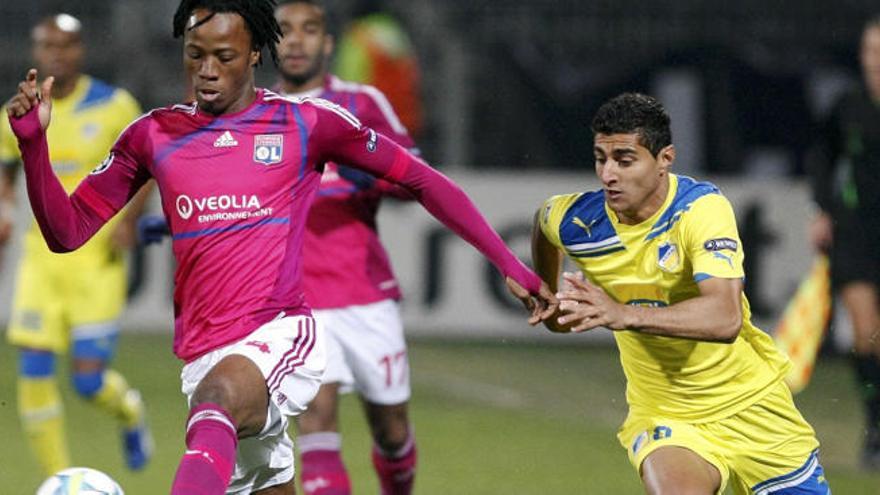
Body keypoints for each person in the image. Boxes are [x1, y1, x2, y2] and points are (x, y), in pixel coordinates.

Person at [5, 1, 553, 493]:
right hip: (201, 349)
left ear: (256, 54)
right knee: (249, 453)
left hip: (277, 332)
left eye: (224, 55)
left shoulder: (306, 124)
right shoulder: (154, 135)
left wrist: (511, 264)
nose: (207, 70)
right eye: (195, 55)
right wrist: (33, 147)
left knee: (217, 406)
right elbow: (66, 232)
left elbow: (422, 180)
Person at [529, 93, 829, 494]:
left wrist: (623, 314)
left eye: (625, 159)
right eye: (601, 158)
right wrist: (545, 296)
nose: (608, 174)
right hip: (666, 416)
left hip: (752, 406)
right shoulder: (578, 220)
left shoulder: (699, 210)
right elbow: (544, 223)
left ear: (665, 159)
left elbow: (725, 318)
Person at [273, 1, 417, 493]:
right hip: (295, 302)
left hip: (365, 294)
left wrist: (371, 173)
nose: (295, 41)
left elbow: (414, 177)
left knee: (392, 429)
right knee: (315, 421)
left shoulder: (363, 103)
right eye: (284, 31)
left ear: (328, 43)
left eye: (308, 30)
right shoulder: (256, 114)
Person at [0, 13, 152, 476]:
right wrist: (4, 208)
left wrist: (129, 220)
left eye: (65, 46)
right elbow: (5, 169)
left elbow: (146, 167)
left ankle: (129, 410)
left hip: (95, 261)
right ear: (36, 51)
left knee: (88, 382)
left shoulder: (115, 105)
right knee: (33, 370)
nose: (56, 54)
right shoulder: (19, 110)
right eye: (48, 46)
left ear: (80, 51)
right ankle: (59, 479)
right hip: (41, 263)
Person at [807, 15, 880, 471]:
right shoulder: (848, 106)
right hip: (856, 230)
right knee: (864, 331)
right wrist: (823, 209)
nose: (877, 60)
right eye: (871, 51)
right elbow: (821, 157)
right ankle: (874, 425)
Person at [333, 0, 422, 137]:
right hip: (403, 120)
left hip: (372, 123)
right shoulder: (395, 32)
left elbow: (349, 82)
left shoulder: (358, 36)